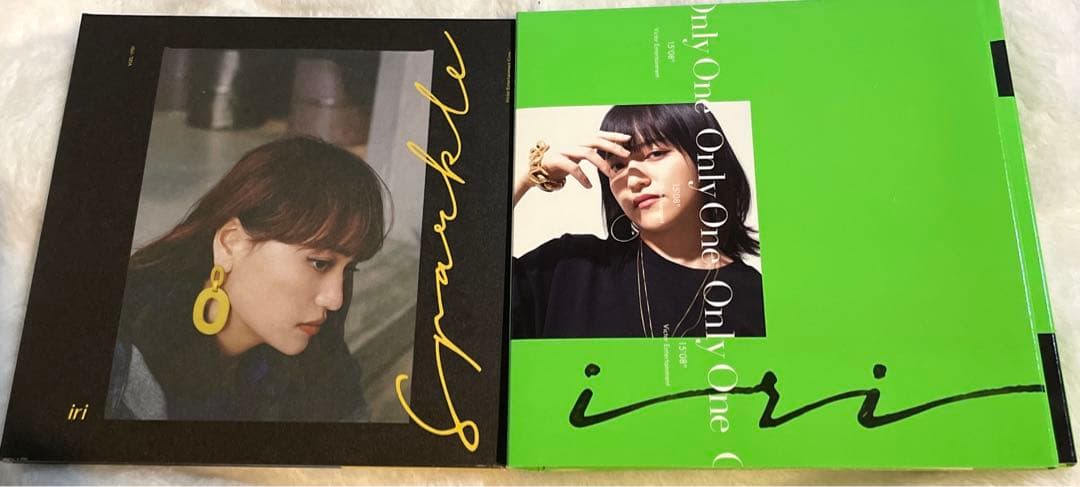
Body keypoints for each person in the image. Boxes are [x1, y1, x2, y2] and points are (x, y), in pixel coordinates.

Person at [105, 136, 387, 421]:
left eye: (348, 269)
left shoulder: (321, 356)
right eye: (320, 263)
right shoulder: (121, 353)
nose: (335, 299)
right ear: (231, 244)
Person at [512, 104, 765, 339]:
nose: (633, 180)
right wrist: (527, 177)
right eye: (617, 166)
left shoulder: (754, 295)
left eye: (655, 153)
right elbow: (487, 301)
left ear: (706, 158)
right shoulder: (569, 268)